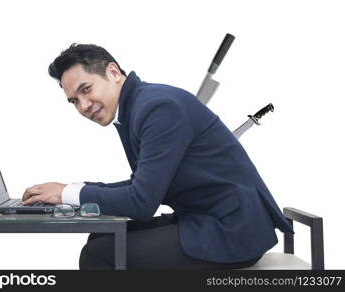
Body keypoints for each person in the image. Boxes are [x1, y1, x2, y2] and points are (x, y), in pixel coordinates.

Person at [21, 43, 294, 270]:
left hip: (232, 230)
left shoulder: (157, 107)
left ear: (113, 72)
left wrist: (68, 193)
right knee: (100, 237)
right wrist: (70, 190)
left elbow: (141, 202)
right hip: (208, 217)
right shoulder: (136, 106)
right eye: (74, 101)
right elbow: (140, 184)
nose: (83, 106)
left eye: (86, 89)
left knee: (99, 254)